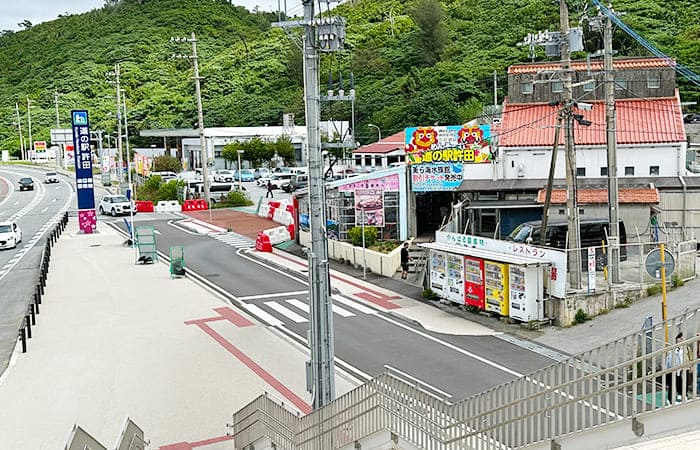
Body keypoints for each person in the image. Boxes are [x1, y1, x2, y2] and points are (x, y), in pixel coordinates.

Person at [665, 332, 686, 405]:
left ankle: (675, 397)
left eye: (682, 338)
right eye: (680, 338)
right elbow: (670, 360)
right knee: (672, 385)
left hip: (679, 370)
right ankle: (670, 400)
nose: (681, 340)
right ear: (677, 339)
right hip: (672, 370)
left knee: (677, 384)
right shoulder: (673, 349)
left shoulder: (682, 349)